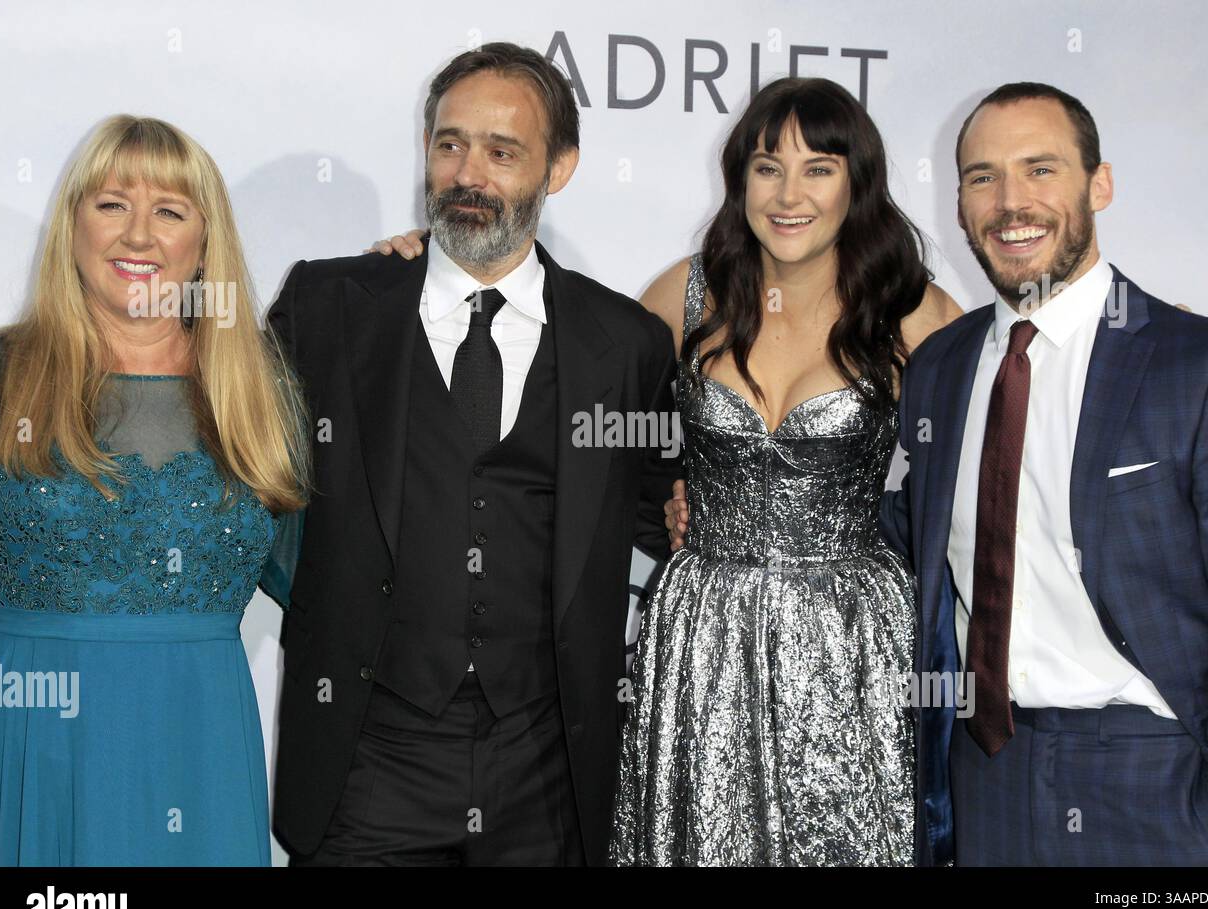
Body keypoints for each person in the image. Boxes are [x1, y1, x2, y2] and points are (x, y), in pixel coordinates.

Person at [388, 76, 961, 864]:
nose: (788, 194)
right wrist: (427, 263)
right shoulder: (687, 296)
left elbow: (977, 480)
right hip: (703, 636)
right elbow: (566, 375)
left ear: (857, 182)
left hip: (849, 645)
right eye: (766, 167)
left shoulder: (912, 311)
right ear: (739, 180)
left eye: (818, 168)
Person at [269, 42, 680, 866]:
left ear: (559, 168)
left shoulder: (625, 343)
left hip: (548, 773)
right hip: (368, 760)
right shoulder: (331, 306)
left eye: (502, 152)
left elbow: (661, 512)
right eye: (450, 143)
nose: (468, 174)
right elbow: (224, 469)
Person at [878, 82, 1208, 865]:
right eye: (983, 177)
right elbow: (915, 527)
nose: (1010, 202)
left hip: (1158, 783)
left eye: (1040, 169)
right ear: (958, 205)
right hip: (984, 775)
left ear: (1100, 184)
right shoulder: (939, 368)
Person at [0, 114, 310, 865]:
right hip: (26, 742)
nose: (137, 236)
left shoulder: (260, 394)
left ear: (204, 241)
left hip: (197, 750)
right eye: (110, 204)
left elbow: (339, 594)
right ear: (71, 228)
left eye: (168, 211)